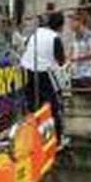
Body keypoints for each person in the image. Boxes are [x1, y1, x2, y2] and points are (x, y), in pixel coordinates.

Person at [22, 11, 66, 146]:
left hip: (26, 71)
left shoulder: (35, 33)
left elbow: (26, 48)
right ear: (60, 26)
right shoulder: (55, 38)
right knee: (55, 105)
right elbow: (61, 61)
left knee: (31, 107)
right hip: (43, 73)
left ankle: (32, 140)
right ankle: (58, 140)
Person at [68, 11, 91, 90]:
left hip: (87, 74)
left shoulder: (89, 35)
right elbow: (71, 52)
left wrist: (77, 58)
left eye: (72, 22)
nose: (70, 25)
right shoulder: (74, 36)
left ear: (80, 21)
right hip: (75, 74)